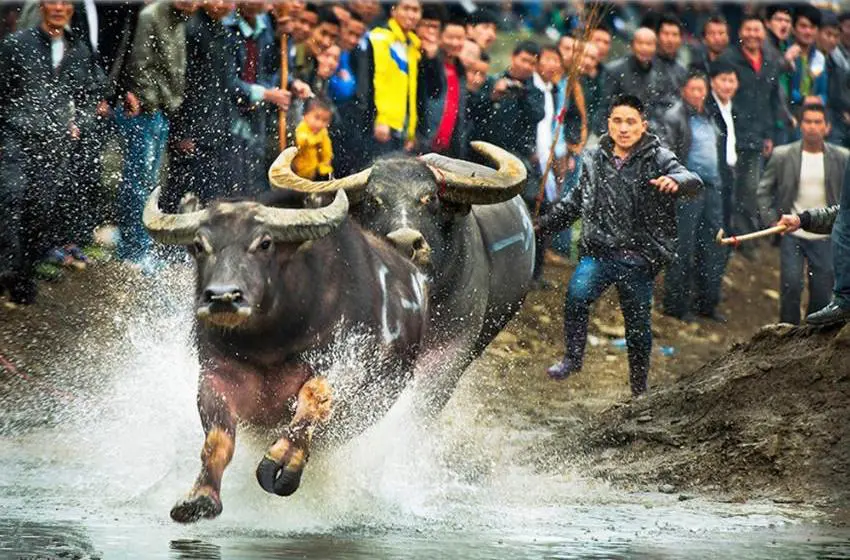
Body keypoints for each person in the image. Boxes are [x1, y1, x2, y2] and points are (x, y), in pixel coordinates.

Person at [538, 94, 702, 396]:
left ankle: (639, 387)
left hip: (639, 255)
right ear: (608, 124)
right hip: (599, 252)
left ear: (643, 125)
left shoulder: (657, 156)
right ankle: (572, 359)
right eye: (617, 121)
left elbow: (692, 179)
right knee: (576, 296)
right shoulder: (593, 159)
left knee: (637, 326)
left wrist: (676, 182)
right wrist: (543, 225)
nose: (623, 129)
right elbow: (575, 202)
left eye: (630, 122)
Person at [0, 0, 105, 304]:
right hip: (15, 137)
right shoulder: (17, 45)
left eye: (65, 3)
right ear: (41, 7)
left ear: (72, 9)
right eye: (52, 2)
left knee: (41, 209)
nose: (58, 8)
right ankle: (5, 270)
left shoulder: (79, 50)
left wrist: (78, 123)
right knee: (10, 197)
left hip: (53, 144)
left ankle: (22, 275)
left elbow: (91, 96)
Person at [116, 0, 197, 267]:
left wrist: (170, 104)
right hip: (144, 111)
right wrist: (151, 102)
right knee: (137, 182)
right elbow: (139, 65)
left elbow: (176, 68)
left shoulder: (180, 20)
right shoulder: (152, 15)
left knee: (150, 182)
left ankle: (142, 247)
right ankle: (132, 251)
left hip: (162, 111)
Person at [757, 104, 849, 324]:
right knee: (790, 286)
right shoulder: (782, 155)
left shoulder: (843, 157)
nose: (813, 127)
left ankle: (812, 335)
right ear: (800, 125)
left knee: (822, 291)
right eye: (808, 121)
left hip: (826, 234)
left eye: (818, 122)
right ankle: (787, 332)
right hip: (793, 230)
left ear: (827, 127)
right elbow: (764, 190)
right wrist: (771, 220)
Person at [661, 71, 728, 323]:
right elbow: (667, 151)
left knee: (712, 244)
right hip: (688, 187)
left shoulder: (709, 116)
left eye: (702, 89)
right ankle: (676, 305)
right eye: (693, 89)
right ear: (683, 91)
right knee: (683, 246)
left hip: (712, 187)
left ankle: (706, 304)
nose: (698, 94)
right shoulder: (675, 116)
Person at [717, 14, 787, 244]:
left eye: (757, 30)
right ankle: (731, 235)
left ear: (763, 32)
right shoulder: (729, 58)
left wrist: (768, 134)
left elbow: (772, 100)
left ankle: (746, 237)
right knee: (731, 187)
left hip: (757, 135)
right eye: (748, 29)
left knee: (751, 189)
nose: (752, 34)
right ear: (740, 32)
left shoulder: (770, 60)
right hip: (731, 132)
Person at [362, 0, 422, 157]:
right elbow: (376, 80)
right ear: (393, 10)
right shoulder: (380, 37)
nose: (411, 15)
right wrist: (380, 118)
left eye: (416, 10)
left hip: (400, 129)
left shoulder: (411, 45)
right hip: (382, 126)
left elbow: (411, 92)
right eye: (406, 9)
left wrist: (410, 131)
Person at [602, 27, 679, 131]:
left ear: (656, 47)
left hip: (652, 129)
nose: (644, 48)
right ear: (632, 45)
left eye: (649, 44)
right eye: (640, 43)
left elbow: (666, 103)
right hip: (622, 128)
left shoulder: (662, 71)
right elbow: (605, 106)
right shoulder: (615, 70)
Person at [416, 15, 467, 157]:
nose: (455, 43)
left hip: (448, 150)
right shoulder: (427, 64)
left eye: (460, 38)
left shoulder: (460, 70)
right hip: (423, 144)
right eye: (450, 37)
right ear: (439, 38)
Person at [818, 11, 850, 149]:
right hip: (832, 119)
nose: (832, 40)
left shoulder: (839, 58)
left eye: (835, 36)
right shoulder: (828, 57)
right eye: (828, 35)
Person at [292, 97, 334, 180]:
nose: (319, 124)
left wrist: (324, 166)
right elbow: (301, 141)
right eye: (316, 118)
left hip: (314, 173)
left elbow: (327, 152)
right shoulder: (302, 128)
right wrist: (315, 139)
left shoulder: (323, 132)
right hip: (298, 174)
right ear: (305, 115)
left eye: (325, 120)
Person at [655, 14, 687, 88]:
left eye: (675, 35)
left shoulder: (682, 70)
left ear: (680, 39)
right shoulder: (646, 65)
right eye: (666, 34)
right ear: (657, 36)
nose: (670, 39)